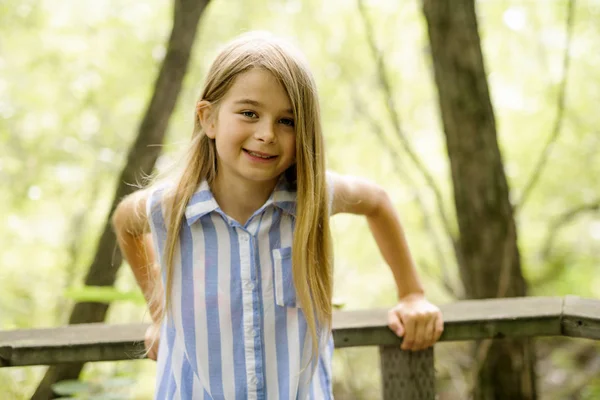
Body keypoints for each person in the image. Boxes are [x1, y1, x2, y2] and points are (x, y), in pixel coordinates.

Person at [112, 31, 443, 400]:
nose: (267, 134)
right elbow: (125, 224)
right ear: (209, 119)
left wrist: (412, 294)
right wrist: (160, 310)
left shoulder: (313, 198)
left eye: (287, 121)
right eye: (249, 113)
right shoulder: (170, 209)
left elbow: (378, 202)